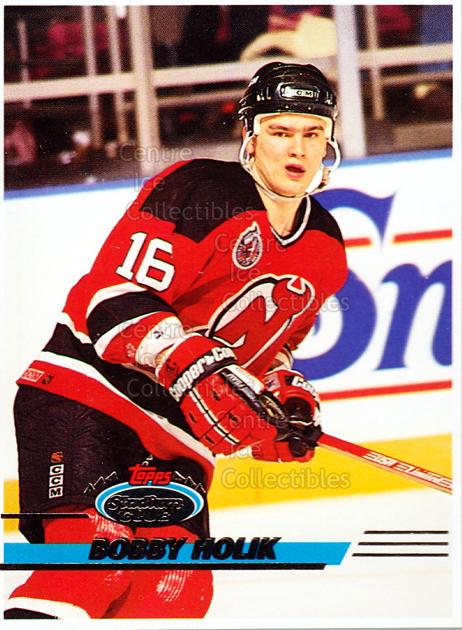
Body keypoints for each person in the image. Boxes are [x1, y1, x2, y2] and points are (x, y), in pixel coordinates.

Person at [5, 62, 348, 620]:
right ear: (250, 134)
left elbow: (271, 349)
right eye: (280, 131)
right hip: (87, 399)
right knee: (93, 567)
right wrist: (185, 357)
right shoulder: (199, 188)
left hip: (175, 439)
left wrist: (281, 399)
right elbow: (107, 295)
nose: (298, 149)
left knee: (175, 589)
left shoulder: (325, 246)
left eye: (312, 133)